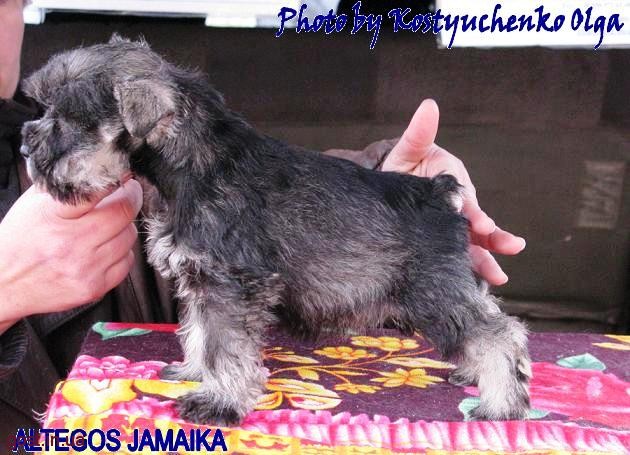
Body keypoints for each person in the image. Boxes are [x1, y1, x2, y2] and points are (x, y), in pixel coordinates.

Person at [0, 0, 525, 435]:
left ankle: (499, 372)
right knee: (215, 282)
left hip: (407, 221)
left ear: (143, 121)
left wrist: (391, 174)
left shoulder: (206, 189)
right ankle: (212, 372)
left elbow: (292, 194)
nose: (37, 140)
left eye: (65, 125)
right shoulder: (195, 179)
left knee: (452, 313)